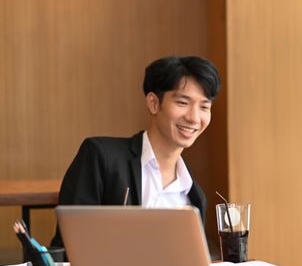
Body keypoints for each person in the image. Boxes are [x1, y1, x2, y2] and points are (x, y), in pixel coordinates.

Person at [51, 55, 221, 248]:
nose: (194, 118)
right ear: (153, 103)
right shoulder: (101, 158)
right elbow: (69, 245)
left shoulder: (194, 196)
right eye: (183, 103)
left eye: (204, 107)